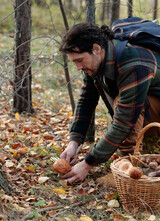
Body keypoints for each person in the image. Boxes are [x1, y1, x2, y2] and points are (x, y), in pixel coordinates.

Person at [59, 22, 160, 184]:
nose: (78, 67)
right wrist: (74, 142)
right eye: (74, 62)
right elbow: (86, 100)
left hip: (153, 107)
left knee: (124, 103)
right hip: (153, 108)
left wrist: (87, 164)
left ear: (96, 49)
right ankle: (139, 157)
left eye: (80, 60)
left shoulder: (134, 64)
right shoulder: (95, 63)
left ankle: (131, 169)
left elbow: (123, 123)